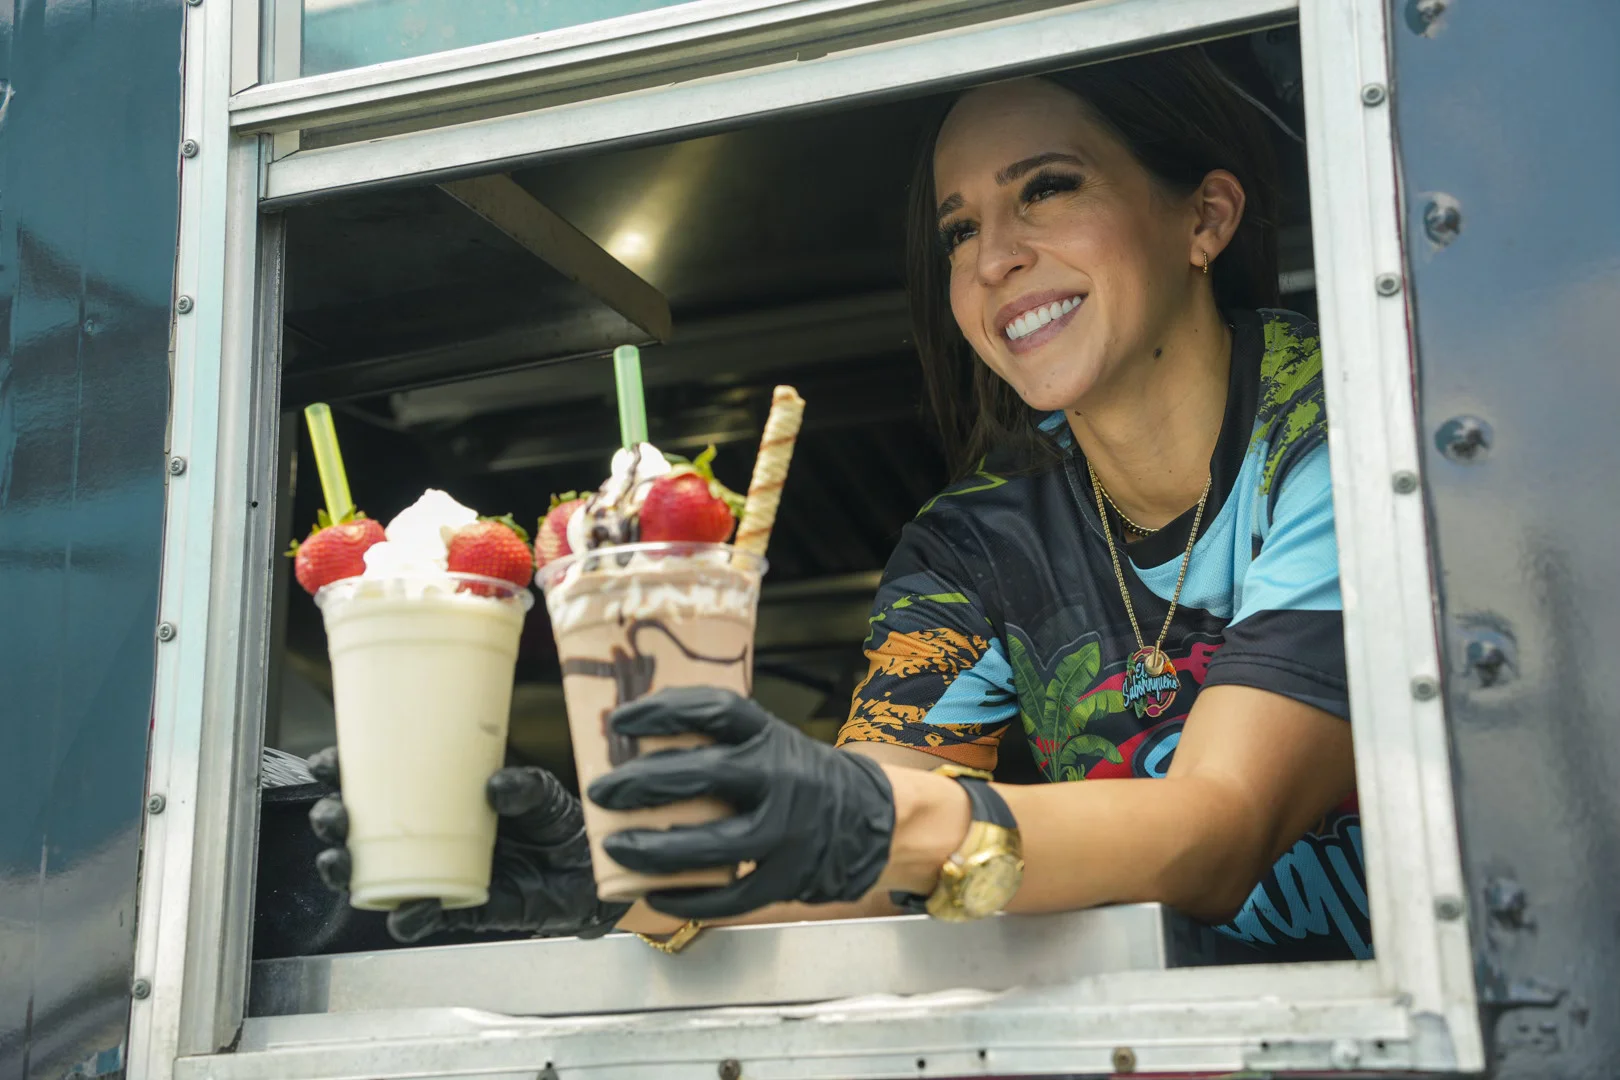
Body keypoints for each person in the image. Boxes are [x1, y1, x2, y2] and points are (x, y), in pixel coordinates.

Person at [309, 47, 1370, 962]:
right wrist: (616, 872)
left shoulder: (1346, 437)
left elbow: (1222, 831)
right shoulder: (978, 542)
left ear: (1206, 216)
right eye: (959, 230)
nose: (995, 258)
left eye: (1046, 188)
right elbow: (851, 846)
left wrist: (871, 821)